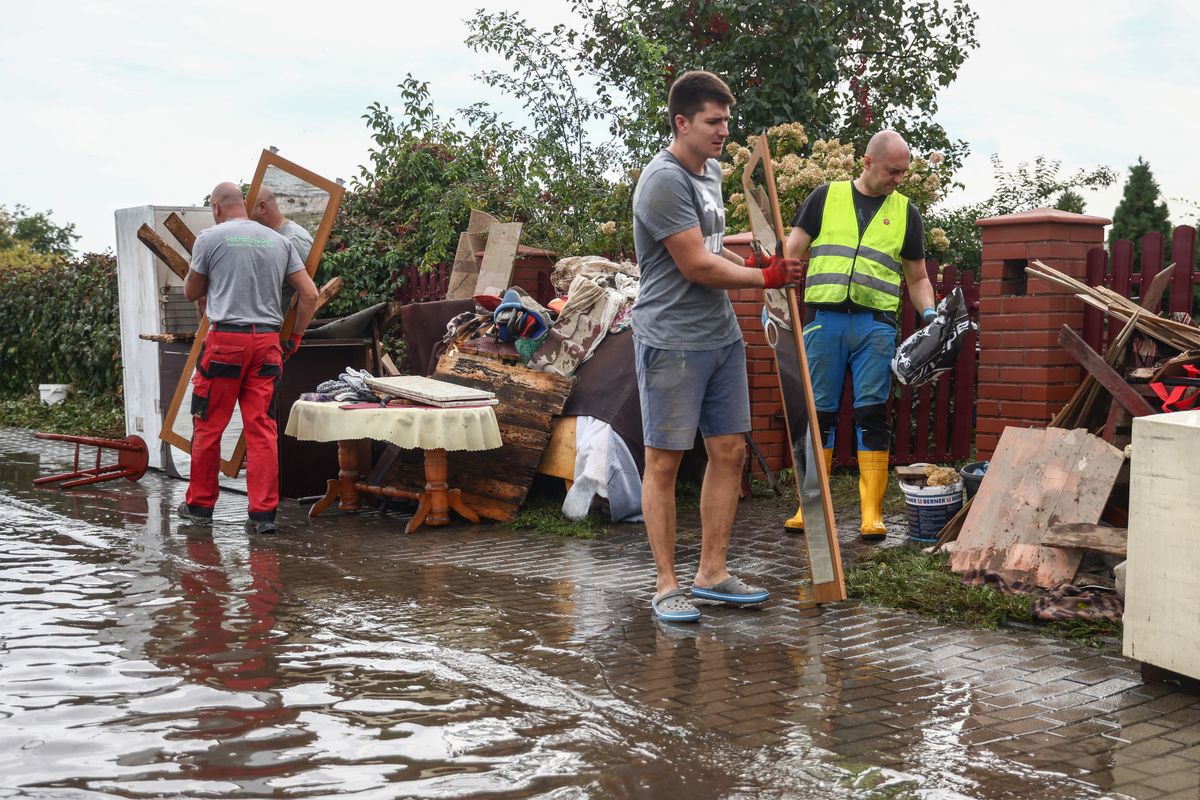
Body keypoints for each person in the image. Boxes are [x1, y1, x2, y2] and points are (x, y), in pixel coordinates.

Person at [632, 71, 803, 623]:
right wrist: (767, 281)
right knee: (664, 461)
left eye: (727, 120)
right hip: (671, 338)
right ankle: (665, 584)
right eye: (713, 121)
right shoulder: (663, 181)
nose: (724, 130)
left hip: (720, 336)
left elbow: (715, 252)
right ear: (681, 123)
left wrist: (753, 265)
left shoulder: (712, 174)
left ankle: (712, 574)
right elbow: (694, 265)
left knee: (728, 452)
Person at [783, 130, 936, 540]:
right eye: (893, 171)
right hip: (824, 321)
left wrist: (931, 313)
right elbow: (792, 251)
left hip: (875, 326)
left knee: (872, 415)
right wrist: (770, 284)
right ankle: (809, 506)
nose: (899, 179)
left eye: (904, 172)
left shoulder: (906, 212)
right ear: (867, 162)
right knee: (820, 417)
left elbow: (917, 275)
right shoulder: (824, 197)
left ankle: (872, 513)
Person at [177, 182, 319, 534]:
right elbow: (310, 294)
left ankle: (199, 507)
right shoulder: (280, 241)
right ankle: (262, 516)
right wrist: (295, 335)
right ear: (245, 204)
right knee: (262, 430)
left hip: (226, 342)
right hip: (267, 344)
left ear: (215, 207)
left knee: (208, 426)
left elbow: (192, 291)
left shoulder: (209, 239)